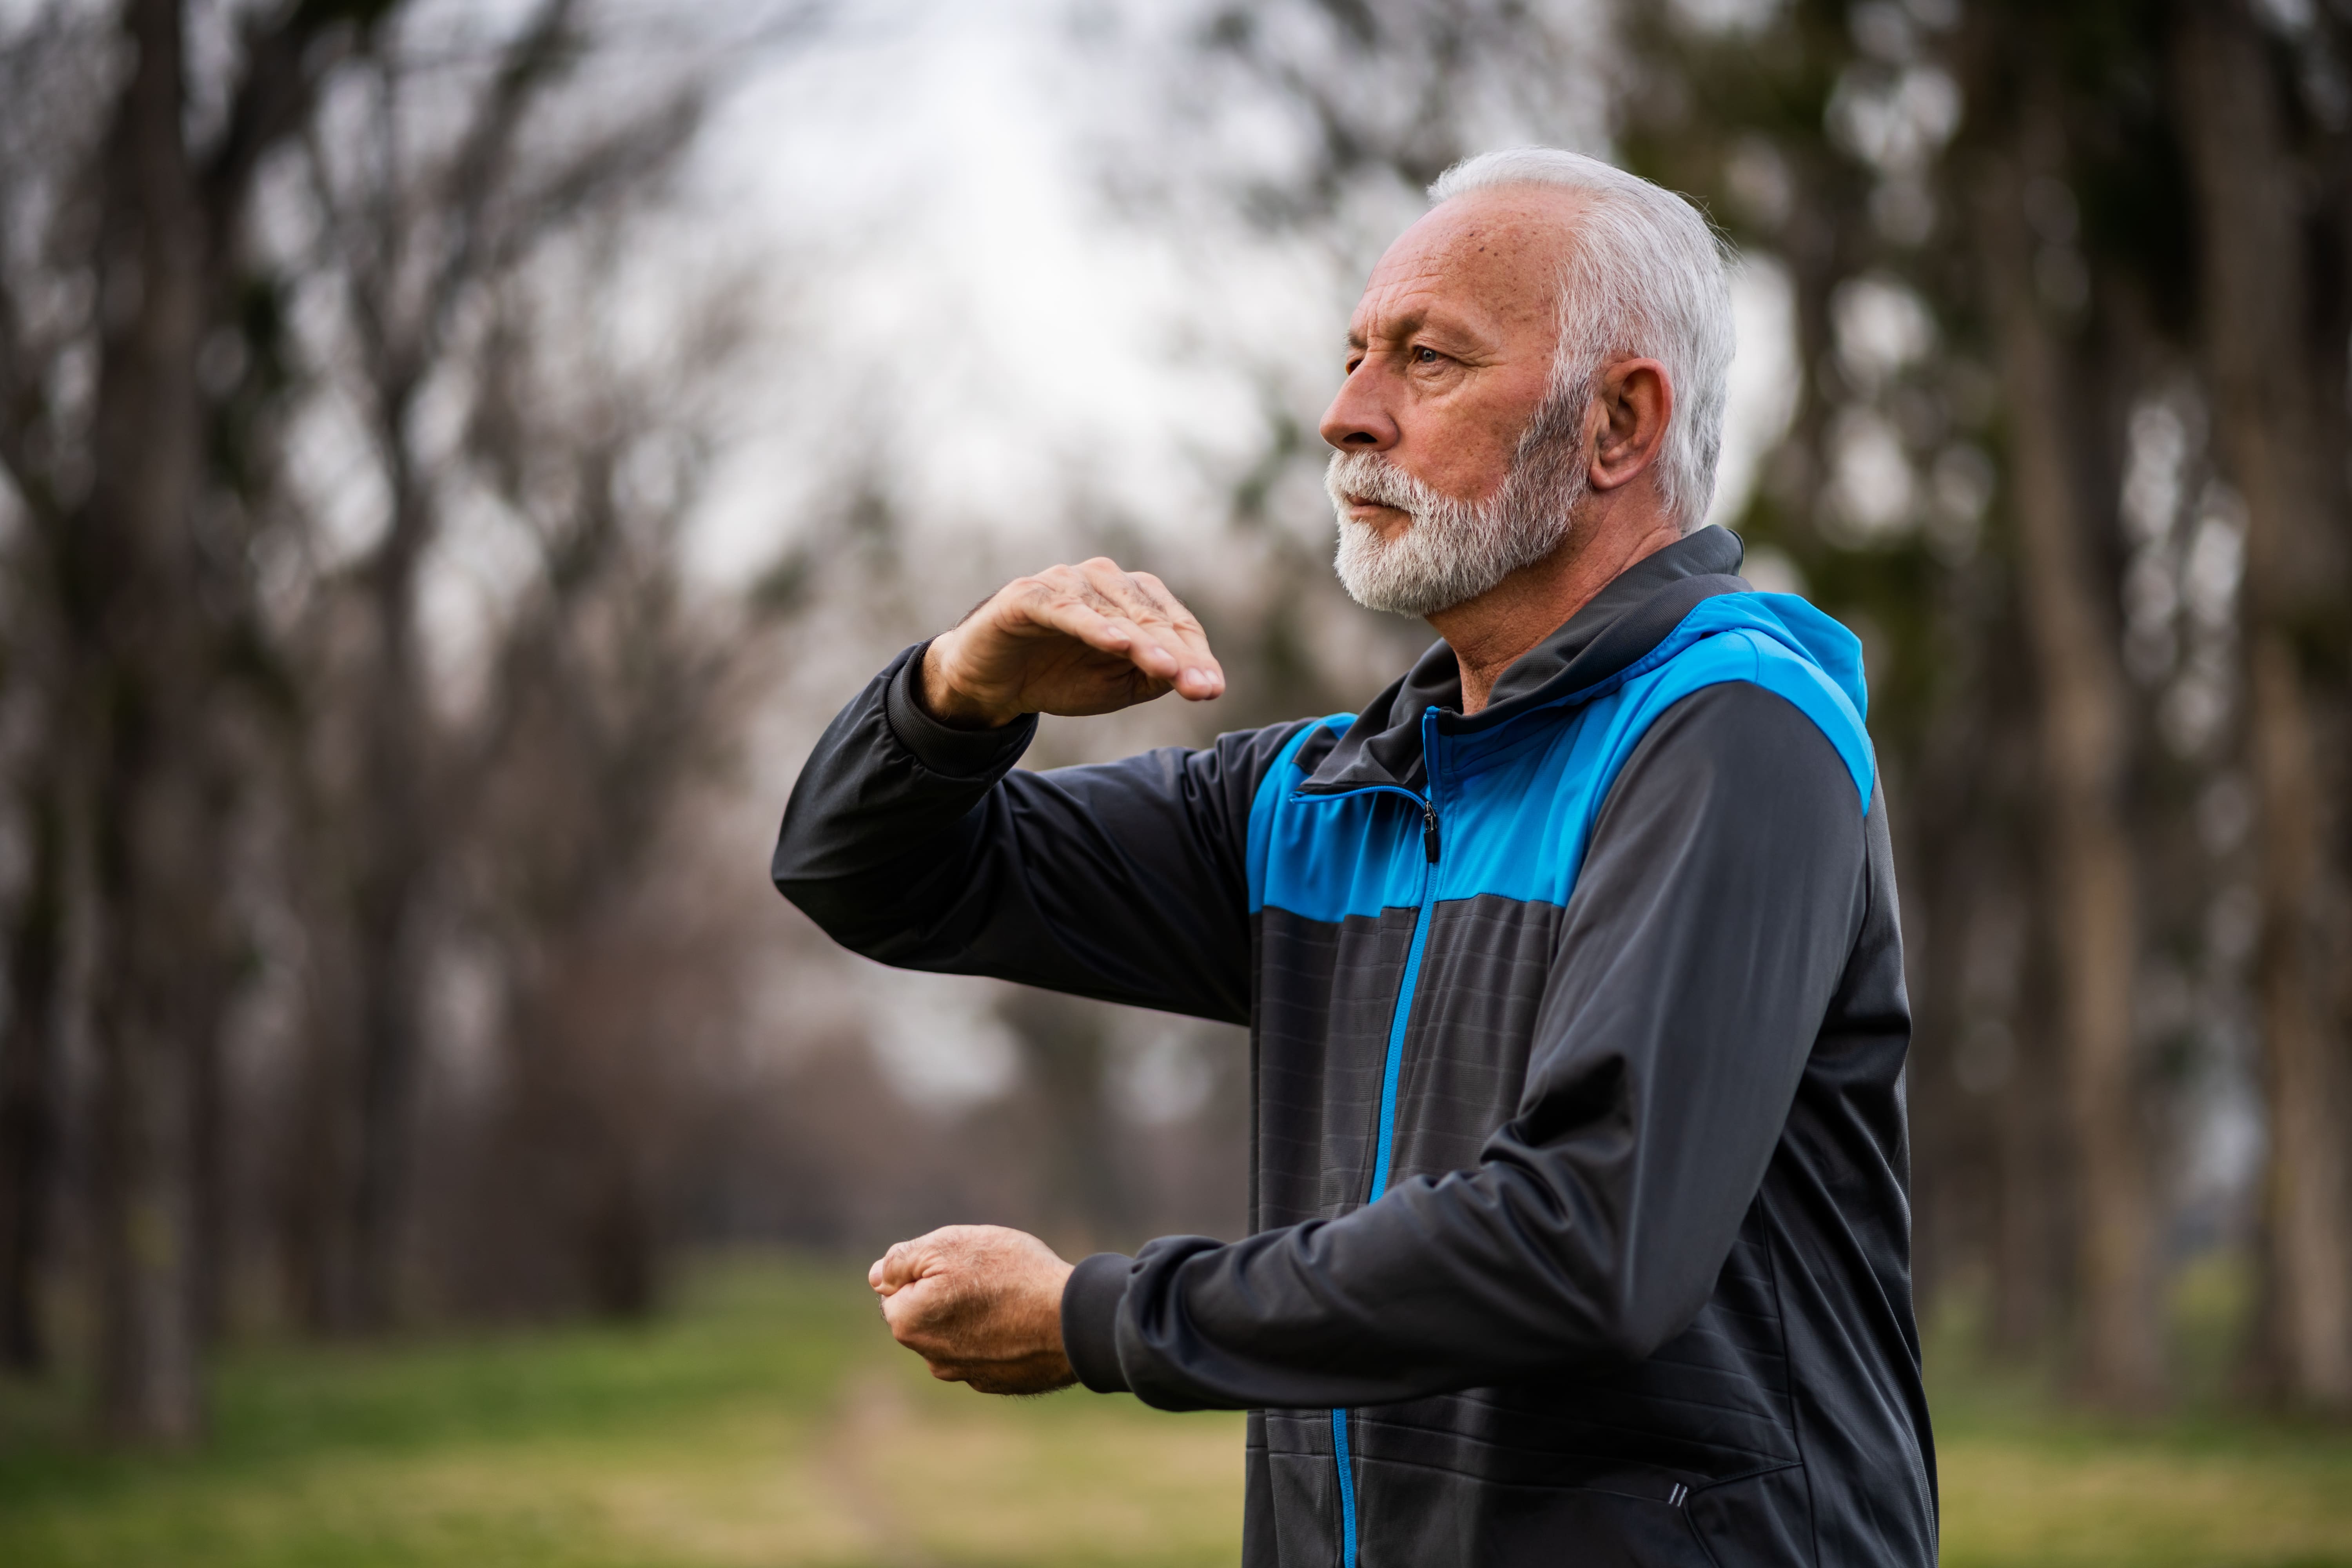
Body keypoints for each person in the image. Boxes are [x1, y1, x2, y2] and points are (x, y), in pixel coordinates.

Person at [771, 147, 1936, 1567]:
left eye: (1427, 361)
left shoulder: (1735, 734)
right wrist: (956, 694)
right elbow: (869, 872)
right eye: (1353, 356)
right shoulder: (1319, 796)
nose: (1345, 417)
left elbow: (1587, 1240)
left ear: (1620, 424)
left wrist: (1098, 1319)